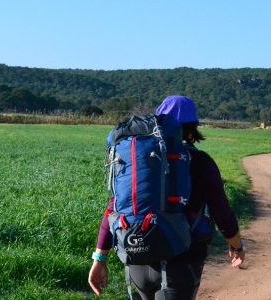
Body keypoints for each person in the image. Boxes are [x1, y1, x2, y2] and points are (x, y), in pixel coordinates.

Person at [88, 95, 245, 299]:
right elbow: (221, 210)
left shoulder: (138, 159)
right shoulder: (200, 161)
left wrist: (99, 259)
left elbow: (113, 208)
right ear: (192, 126)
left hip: (137, 257)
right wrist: (236, 245)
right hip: (182, 261)